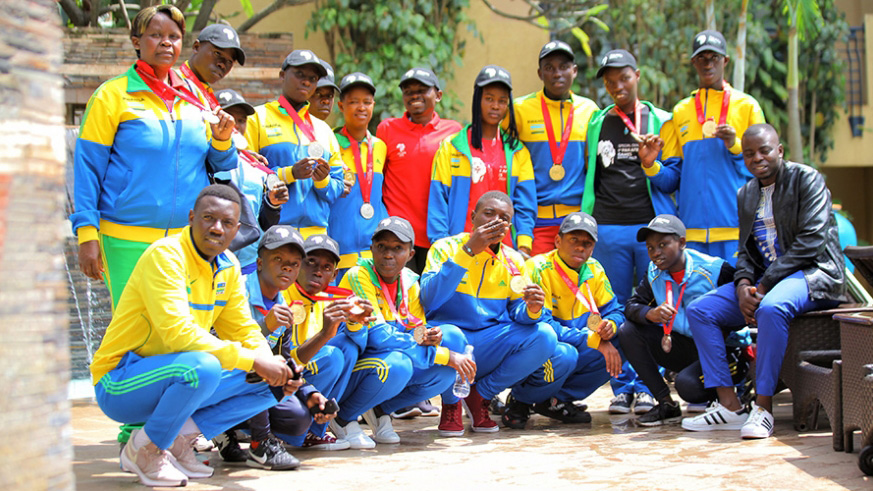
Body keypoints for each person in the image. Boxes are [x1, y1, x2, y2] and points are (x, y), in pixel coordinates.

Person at [89, 184, 294, 487]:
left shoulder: (228, 266)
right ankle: (144, 450)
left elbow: (242, 329)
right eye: (208, 218)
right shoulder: (166, 256)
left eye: (227, 223)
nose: (217, 228)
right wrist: (253, 360)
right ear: (191, 218)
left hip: (172, 374)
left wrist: (270, 362)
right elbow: (177, 334)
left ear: (237, 228)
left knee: (274, 382)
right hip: (120, 381)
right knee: (203, 367)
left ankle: (177, 442)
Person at [681, 124, 846, 439]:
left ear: (780, 150)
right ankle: (729, 407)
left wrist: (764, 284)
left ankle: (763, 407)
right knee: (702, 310)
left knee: (770, 308)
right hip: (767, 281)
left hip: (815, 274)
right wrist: (743, 284)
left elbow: (811, 242)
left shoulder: (807, 179)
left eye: (765, 150)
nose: (757, 158)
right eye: (749, 153)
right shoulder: (747, 193)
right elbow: (745, 251)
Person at [72, 5, 237, 308]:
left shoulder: (196, 97)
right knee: (134, 329)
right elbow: (87, 170)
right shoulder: (111, 96)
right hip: (125, 237)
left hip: (185, 240)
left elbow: (222, 165)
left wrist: (223, 140)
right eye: (156, 35)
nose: (166, 43)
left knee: (181, 329)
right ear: (136, 41)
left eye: (174, 37)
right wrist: (87, 235)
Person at [420, 191, 561, 436]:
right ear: (473, 217)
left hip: (488, 343)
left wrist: (532, 309)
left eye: (504, 218)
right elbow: (430, 300)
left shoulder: (514, 260)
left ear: (509, 227)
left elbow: (518, 312)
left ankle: (480, 396)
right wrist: (469, 251)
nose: (496, 221)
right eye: (489, 213)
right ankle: (451, 404)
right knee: (449, 333)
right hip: (452, 340)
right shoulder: (445, 247)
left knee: (545, 335)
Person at [335, 217, 476, 446]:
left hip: (387, 354)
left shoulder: (410, 282)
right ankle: (343, 417)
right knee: (399, 364)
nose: (388, 255)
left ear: (410, 254)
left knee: (445, 374)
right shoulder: (358, 275)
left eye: (397, 248)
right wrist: (444, 355)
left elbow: (416, 330)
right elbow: (377, 337)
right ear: (371, 248)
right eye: (381, 247)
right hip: (357, 361)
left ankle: (380, 411)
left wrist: (430, 336)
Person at [512, 212, 651, 427]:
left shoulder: (594, 269)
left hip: (576, 340)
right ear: (558, 241)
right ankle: (521, 399)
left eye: (587, 243)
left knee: (624, 338)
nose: (580, 248)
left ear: (593, 248)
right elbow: (543, 326)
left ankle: (555, 400)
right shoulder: (537, 267)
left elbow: (615, 310)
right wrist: (595, 341)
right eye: (573, 240)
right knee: (564, 354)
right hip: (545, 344)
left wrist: (610, 327)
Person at [619, 215, 750, 426]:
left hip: (723, 351)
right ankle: (665, 404)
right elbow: (632, 306)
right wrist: (649, 314)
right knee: (628, 331)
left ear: (681, 243)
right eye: (650, 248)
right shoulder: (654, 273)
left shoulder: (715, 269)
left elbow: (742, 312)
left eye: (663, 245)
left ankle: (728, 398)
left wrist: (719, 330)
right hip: (685, 345)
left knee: (688, 386)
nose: (656, 253)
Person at [653, 30, 766, 264]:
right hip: (691, 232)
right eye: (701, 58)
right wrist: (649, 165)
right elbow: (673, 175)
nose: (708, 64)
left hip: (735, 229)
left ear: (725, 61)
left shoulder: (747, 106)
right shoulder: (681, 111)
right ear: (694, 62)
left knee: (738, 295)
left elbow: (763, 167)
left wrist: (735, 145)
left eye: (714, 58)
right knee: (698, 299)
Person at [234, 225, 339, 469]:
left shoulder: (284, 304)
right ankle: (260, 444)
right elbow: (217, 342)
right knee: (259, 365)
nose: (287, 268)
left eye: (293, 263)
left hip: (249, 380)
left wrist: (310, 394)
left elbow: (284, 358)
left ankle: (227, 431)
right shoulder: (237, 288)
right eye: (278, 259)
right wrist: (265, 326)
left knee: (298, 418)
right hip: (222, 372)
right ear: (260, 263)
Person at [580, 49, 676, 305]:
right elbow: (591, 173)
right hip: (608, 227)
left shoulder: (663, 121)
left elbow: (671, 181)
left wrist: (650, 163)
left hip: (651, 228)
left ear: (637, 75)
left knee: (658, 302)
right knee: (612, 303)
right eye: (610, 82)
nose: (617, 86)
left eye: (624, 78)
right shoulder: (596, 123)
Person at [428, 65, 536, 255]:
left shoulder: (518, 152)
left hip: (505, 250)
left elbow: (525, 206)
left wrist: (524, 246)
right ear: (477, 99)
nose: (495, 106)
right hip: (462, 247)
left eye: (502, 101)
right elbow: (438, 202)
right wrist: (441, 246)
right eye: (489, 99)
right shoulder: (451, 147)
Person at [281, 234, 374, 448]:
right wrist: (324, 334)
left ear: (333, 275)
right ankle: (288, 431)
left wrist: (354, 321)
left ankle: (315, 431)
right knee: (333, 356)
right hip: (283, 374)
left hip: (307, 372)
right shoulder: (283, 294)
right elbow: (284, 358)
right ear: (297, 265)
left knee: (348, 348)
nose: (317, 271)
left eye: (326, 267)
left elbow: (359, 343)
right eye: (310, 262)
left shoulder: (333, 298)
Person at [245, 49, 344, 237]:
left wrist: (322, 180)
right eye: (299, 75)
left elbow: (336, 189)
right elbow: (247, 178)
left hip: (317, 235)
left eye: (313, 78)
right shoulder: (256, 118)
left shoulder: (324, 130)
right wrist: (290, 173)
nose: (306, 82)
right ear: (282, 75)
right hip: (275, 232)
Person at [511, 40, 598, 255]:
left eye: (564, 67)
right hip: (534, 219)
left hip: (576, 220)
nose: (557, 73)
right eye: (549, 68)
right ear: (540, 74)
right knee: (535, 283)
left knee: (571, 285)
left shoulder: (589, 110)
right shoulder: (520, 110)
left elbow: (594, 166)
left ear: (574, 71)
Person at [377, 67, 462, 276]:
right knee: (400, 298)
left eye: (422, 90)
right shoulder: (387, 129)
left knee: (434, 300)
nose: (414, 95)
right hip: (397, 238)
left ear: (438, 95)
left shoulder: (454, 132)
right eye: (408, 91)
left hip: (439, 235)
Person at [214, 88, 289, 274]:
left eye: (241, 120)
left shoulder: (257, 167)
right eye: (228, 117)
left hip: (249, 263)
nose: (235, 125)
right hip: (213, 257)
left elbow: (265, 222)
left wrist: (273, 203)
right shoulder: (203, 159)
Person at [328, 72, 389, 276]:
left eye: (367, 102)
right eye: (353, 102)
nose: (361, 107)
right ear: (341, 106)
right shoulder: (330, 143)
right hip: (337, 252)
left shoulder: (380, 147)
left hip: (373, 255)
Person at [178, 23, 246, 108]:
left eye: (229, 61)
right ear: (196, 47)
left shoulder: (206, 95)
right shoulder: (171, 84)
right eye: (217, 53)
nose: (222, 65)